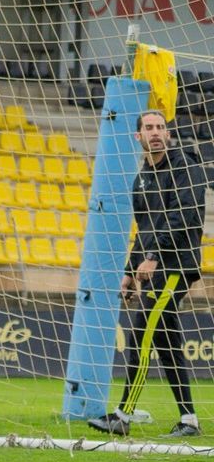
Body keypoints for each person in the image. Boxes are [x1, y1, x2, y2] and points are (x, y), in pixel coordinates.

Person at [89, 109, 208, 439]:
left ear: (168, 134)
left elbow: (183, 218)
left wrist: (154, 256)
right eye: (148, 128)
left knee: (141, 331)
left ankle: (123, 415)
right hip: (153, 268)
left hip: (176, 267)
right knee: (166, 343)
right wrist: (129, 271)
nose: (155, 132)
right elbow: (143, 230)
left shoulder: (186, 168)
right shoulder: (142, 178)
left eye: (160, 127)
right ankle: (189, 421)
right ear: (138, 136)